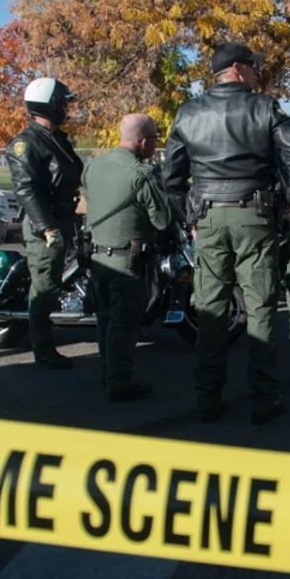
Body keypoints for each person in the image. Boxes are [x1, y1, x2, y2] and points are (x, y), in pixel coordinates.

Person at [164, 42, 290, 425]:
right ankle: (264, 400)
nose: (256, 72)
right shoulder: (264, 107)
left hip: (210, 219)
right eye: (252, 65)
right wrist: (287, 201)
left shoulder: (188, 112)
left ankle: (208, 399)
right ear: (236, 68)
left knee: (211, 310)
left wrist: (191, 219)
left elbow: (172, 178)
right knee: (261, 307)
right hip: (255, 216)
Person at [81, 114, 171, 402]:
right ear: (143, 141)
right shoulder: (142, 175)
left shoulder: (93, 166)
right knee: (124, 325)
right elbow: (163, 220)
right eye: (155, 139)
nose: (155, 144)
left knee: (105, 320)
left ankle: (107, 372)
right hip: (128, 262)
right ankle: (119, 383)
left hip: (98, 257)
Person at [6, 77, 85, 369]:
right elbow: (26, 189)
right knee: (45, 285)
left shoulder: (56, 139)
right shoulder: (26, 144)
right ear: (48, 105)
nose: (66, 107)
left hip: (65, 218)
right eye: (62, 102)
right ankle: (43, 349)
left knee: (65, 278)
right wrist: (47, 227)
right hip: (46, 225)